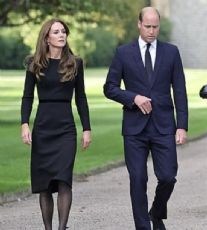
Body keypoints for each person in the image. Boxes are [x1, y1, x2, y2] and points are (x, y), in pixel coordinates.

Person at [103, 7, 188, 230]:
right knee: (138, 179)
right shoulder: (123, 53)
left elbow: (179, 90)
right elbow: (109, 88)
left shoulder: (171, 52)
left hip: (163, 126)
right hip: (134, 128)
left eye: (155, 26)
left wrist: (182, 126)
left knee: (168, 177)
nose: (151, 31)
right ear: (139, 24)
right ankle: (143, 227)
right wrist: (133, 98)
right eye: (147, 26)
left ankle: (156, 212)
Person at [20, 18, 91, 230]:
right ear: (47, 38)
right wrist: (24, 123)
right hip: (43, 127)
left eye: (64, 31)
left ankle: (61, 228)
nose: (62, 35)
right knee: (44, 185)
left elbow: (81, 98)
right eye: (57, 32)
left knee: (63, 180)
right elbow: (27, 97)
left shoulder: (75, 63)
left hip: (66, 129)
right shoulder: (35, 63)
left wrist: (86, 128)